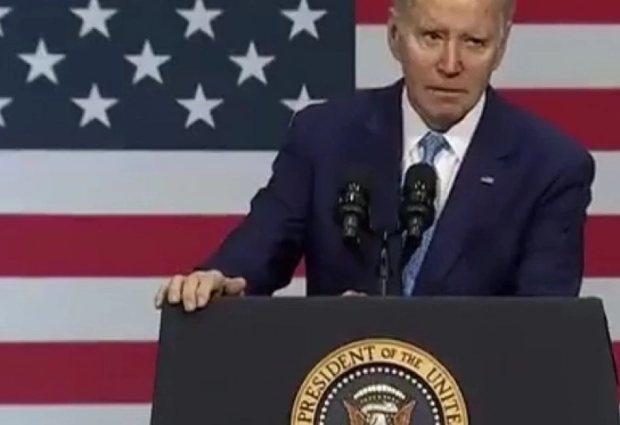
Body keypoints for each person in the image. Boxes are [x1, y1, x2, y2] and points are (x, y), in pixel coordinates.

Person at [154, 0, 595, 312]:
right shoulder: (324, 135)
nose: (450, 63)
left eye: (474, 42)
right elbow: (260, 248)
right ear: (394, 35)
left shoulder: (551, 167)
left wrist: (390, 333)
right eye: (432, 37)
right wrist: (221, 279)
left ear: (501, 46)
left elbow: (539, 327)